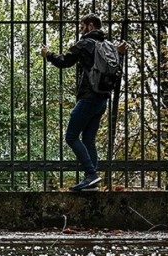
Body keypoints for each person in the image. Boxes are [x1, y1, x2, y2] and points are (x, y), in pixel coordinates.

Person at [41, 14, 125, 191]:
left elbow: (64, 61)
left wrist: (48, 54)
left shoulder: (85, 43)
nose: (81, 29)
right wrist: (121, 54)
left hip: (88, 97)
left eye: (82, 25)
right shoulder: (109, 46)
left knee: (71, 136)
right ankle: (91, 184)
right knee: (88, 139)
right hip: (102, 99)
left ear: (90, 25)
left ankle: (91, 174)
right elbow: (117, 71)